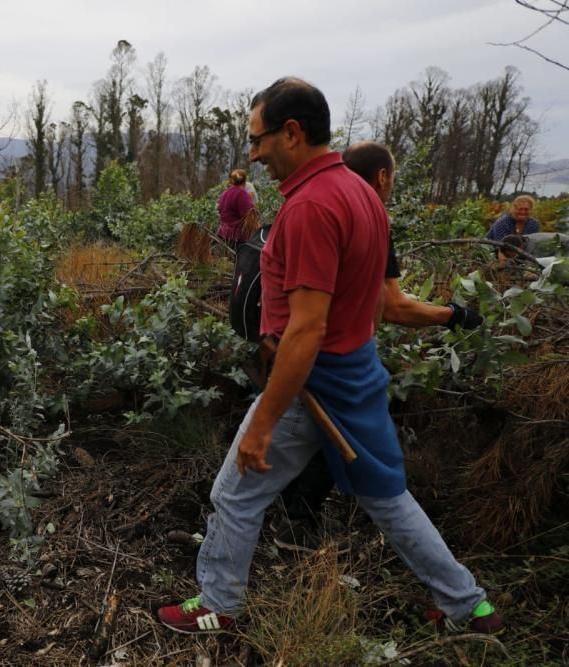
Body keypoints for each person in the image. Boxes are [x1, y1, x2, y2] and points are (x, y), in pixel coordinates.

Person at [157, 78, 502, 635]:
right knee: (387, 497)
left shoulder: (312, 207)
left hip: (314, 383)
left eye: (258, 138)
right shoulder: (360, 192)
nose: (253, 154)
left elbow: (308, 329)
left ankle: (219, 605)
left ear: (291, 133)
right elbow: (359, 305)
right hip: (357, 375)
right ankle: (469, 606)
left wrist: (263, 423)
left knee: (234, 494)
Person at [272, 141, 483, 553]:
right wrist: (453, 315)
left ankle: (285, 518)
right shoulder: (368, 215)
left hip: (295, 351)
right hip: (335, 360)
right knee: (356, 456)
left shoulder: (317, 205)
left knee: (294, 441)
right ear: (383, 177)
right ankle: (296, 525)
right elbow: (393, 307)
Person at [217, 168, 257, 249]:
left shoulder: (225, 193)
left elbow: (220, 209)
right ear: (245, 181)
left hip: (223, 233)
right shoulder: (242, 193)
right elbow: (247, 215)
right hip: (236, 237)